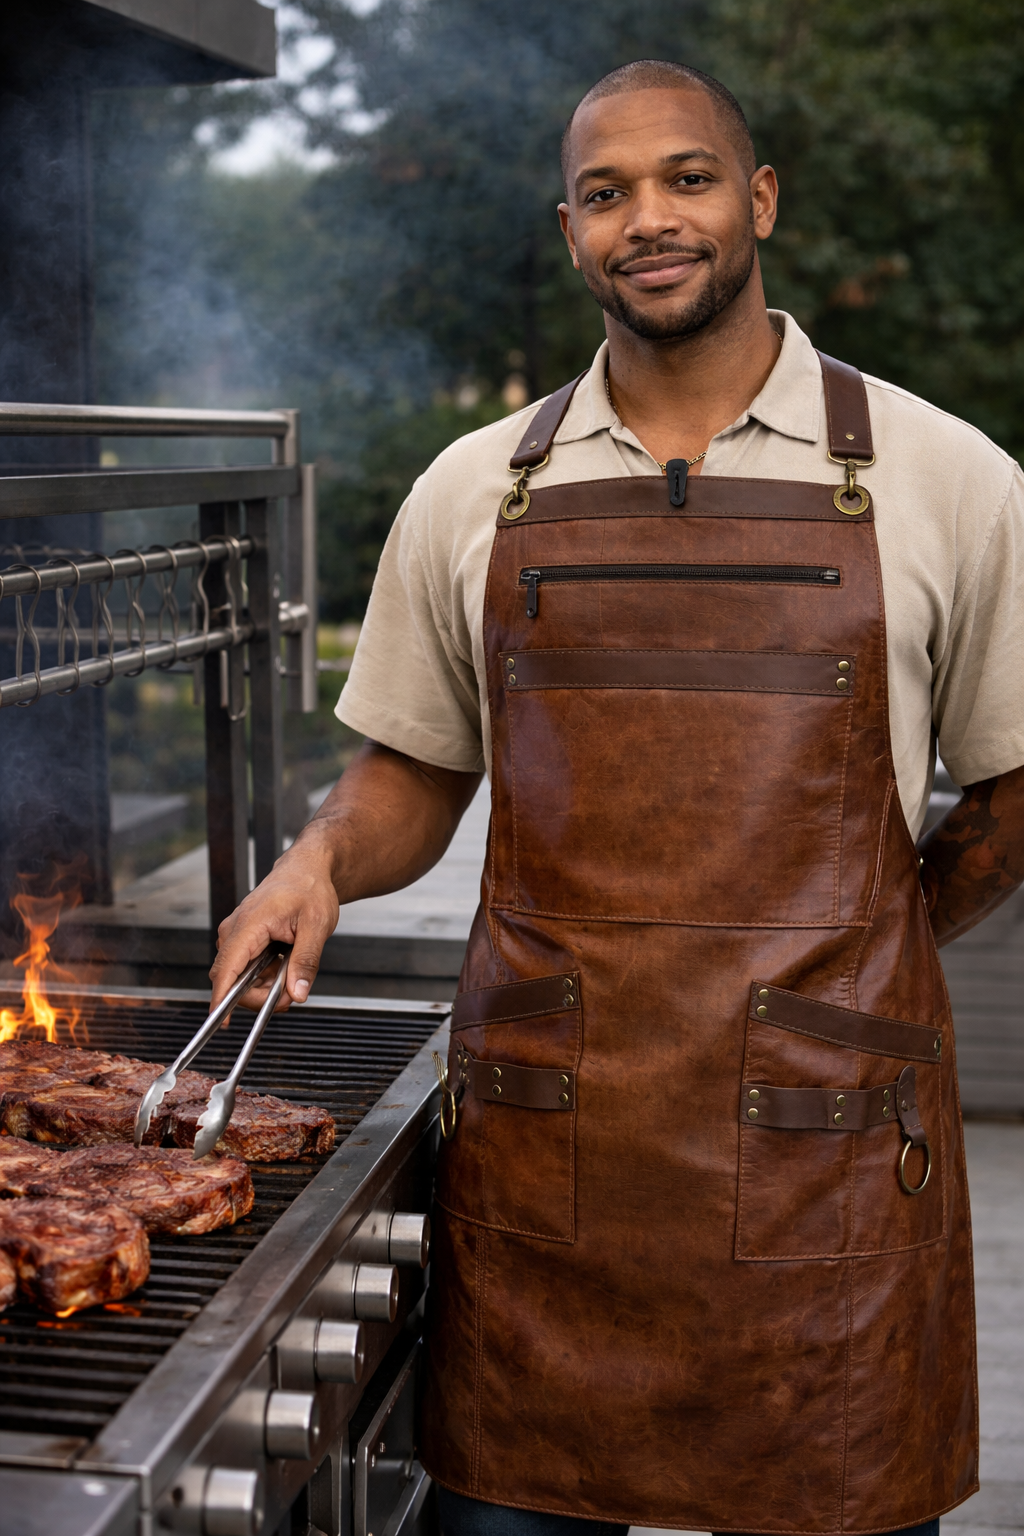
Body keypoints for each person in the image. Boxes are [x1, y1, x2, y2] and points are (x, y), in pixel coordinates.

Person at [211, 60, 1024, 1536]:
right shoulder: (475, 490)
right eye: (606, 193)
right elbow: (413, 775)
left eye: (688, 177)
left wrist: (868, 959)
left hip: (826, 1172)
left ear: (758, 198)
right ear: (570, 230)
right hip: (550, 1167)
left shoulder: (946, 476)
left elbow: (1018, 793)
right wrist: (320, 859)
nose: (649, 218)